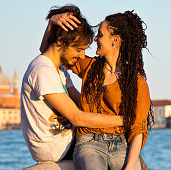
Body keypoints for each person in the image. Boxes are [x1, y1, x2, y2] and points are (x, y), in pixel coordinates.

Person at [41, 10, 154, 170]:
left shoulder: (136, 81)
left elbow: (138, 129)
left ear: (115, 40)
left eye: (100, 35)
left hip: (122, 145)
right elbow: (49, 54)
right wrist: (52, 23)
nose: (95, 39)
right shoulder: (89, 66)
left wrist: (129, 166)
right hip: (89, 144)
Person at [20, 5, 124, 163]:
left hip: (67, 140)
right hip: (56, 149)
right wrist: (124, 120)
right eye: (79, 49)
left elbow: (81, 102)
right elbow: (77, 117)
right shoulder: (42, 71)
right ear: (61, 41)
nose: (83, 56)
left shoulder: (59, 70)